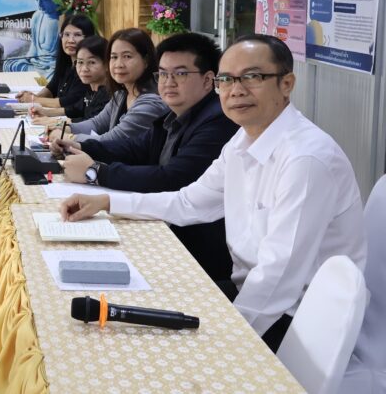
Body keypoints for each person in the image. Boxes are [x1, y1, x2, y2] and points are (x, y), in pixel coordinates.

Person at [59, 35, 367, 352]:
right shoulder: (243, 140)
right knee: (135, 306)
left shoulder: (306, 159)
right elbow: (188, 202)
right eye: (227, 79)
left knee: (154, 345)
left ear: (286, 83)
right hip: (249, 292)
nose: (236, 90)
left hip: (299, 320)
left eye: (252, 77)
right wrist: (107, 202)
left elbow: (279, 277)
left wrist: (225, 344)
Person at [55, 33, 239, 280]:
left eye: (180, 74)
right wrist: (80, 146)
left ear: (208, 80)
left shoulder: (217, 122)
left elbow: (172, 178)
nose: (168, 82)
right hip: (167, 228)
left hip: (197, 254)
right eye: (162, 74)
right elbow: (134, 148)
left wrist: (95, 173)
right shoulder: (174, 114)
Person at [47, 28, 167, 147]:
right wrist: (63, 128)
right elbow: (96, 124)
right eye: (114, 57)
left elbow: (111, 141)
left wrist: (66, 137)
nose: (119, 64)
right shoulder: (121, 94)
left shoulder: (151, 102)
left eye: (127, 56)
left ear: (146, 60)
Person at [16, 13, 96, 109]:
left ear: (88, 38)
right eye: (66, 34)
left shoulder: (87, 69)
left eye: (77, 35)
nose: (71, 40)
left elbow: (69, 102)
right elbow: (52, 87)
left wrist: (33, 99)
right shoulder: (65, 61)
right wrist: (32, 97)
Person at [30, 35, 110, 122]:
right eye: (80, 62)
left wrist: (54, 122)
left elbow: (90, 123)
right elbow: (75, 109)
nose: (84, 69)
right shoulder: (92, 90)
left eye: (92, 62)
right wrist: (45, 112)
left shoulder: (108, 95)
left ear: (107, 65)